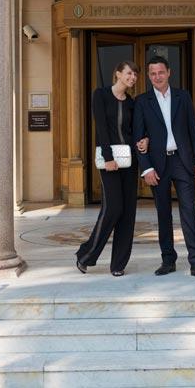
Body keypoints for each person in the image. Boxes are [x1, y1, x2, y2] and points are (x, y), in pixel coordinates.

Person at [132, 55, 195, 280]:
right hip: (158, 165)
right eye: (153, 73)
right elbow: (139, 138)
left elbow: (192, 130)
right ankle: (168, 260)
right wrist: (146, 169)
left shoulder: (182, 96)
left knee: (189, 213)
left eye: (161, 72)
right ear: (149, 76)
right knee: (163, 214)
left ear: (169, 73)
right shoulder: (142, 101)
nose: (157, 76)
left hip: (182, 162)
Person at [75, 61, 148, 276]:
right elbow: (102, 128)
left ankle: (118, 264)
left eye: (135, 74)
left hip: (129, 161)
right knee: (113, 207)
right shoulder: (101, 95)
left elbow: (136, 131)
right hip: (109, 162)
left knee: (128, 213)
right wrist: (108, 157)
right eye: (129, 73)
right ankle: (86, 254)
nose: (133, 77)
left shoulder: (132, 103)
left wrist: (145, 140)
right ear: (117, 73)